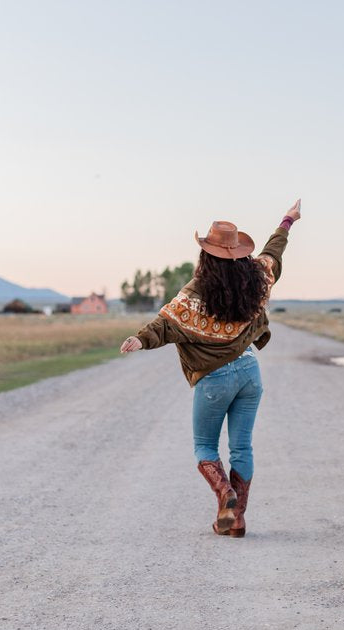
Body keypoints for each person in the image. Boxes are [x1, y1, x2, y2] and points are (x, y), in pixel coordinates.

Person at [120, 199, 302, 537]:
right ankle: (238, 520)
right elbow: (273, 253)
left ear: (205, 255)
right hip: (249, 371)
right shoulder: (257, 279)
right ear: (239, 252)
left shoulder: (195, 294)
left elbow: (165, 325)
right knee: (242, 447)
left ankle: (225, 495)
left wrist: (139, 340)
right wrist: (287, 221)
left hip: (214, 379)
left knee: (205, 446)